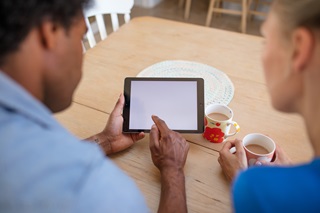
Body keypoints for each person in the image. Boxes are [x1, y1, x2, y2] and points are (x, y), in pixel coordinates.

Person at [0, 0, 189, 212]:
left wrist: (107, 141)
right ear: (50, 31)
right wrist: (173, 170)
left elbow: (31, 167)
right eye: (81, 37)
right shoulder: (94, 190)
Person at [218, 0, 320, 212]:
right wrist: (292, 178)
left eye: (265, 41)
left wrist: (244, 180)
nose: (262, 56)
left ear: (299, 47)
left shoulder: (257, 190)